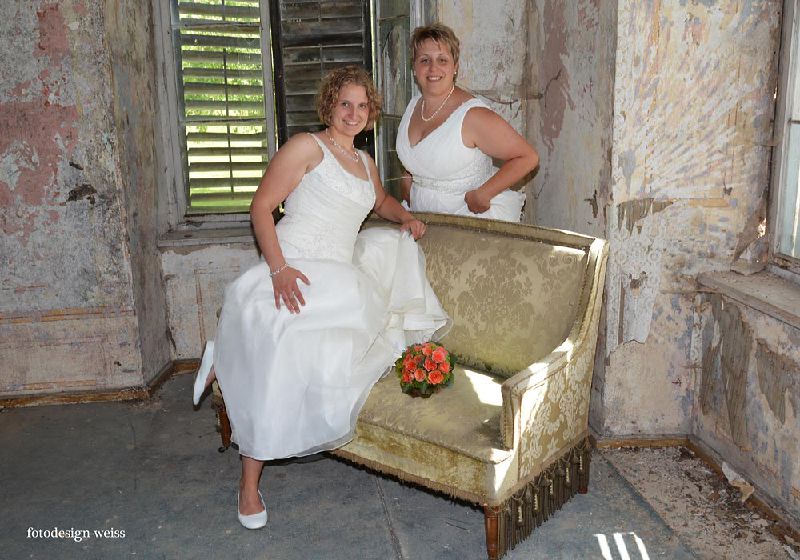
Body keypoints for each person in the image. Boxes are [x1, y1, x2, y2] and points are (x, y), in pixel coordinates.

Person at [191, 66, 451, 530]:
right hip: (291, 265)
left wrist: (404, 218)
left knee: (337, 349)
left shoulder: (365, 162)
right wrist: (279, 270)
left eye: (362, 106)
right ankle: (248, 484)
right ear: (330, 105)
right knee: (282, 354)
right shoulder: (306, 147)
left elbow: (380, 202)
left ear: (371, 113)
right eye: (345, 103)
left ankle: (225, 350)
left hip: (339, 274)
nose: (353, 113)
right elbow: (260, 207)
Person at [397, 23, 539, 222]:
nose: (433, 68)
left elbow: (528, 157)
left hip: (465, 219)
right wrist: (408, 174)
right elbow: (424, 156)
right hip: (420, 216)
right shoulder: (413, 105)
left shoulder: (472, 116)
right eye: (424, 60)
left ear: (455, 66)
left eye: (442, 60)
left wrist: (483, 194)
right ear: (414, 67)